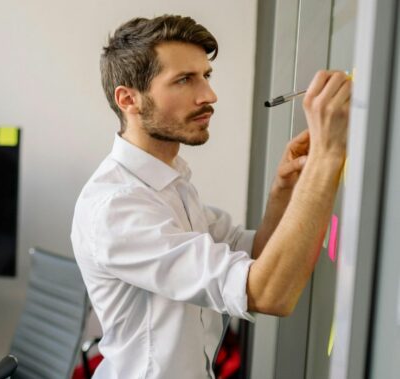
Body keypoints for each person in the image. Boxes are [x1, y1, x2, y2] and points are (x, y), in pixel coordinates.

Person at [70, 14, 351, 378]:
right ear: (129, 99)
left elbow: (254, 256)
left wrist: (284, 192)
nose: (209, 95)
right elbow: (269, 294)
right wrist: (326, 158)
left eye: (206, 76)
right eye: (185, 80)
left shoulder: (170, 183)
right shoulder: (118, 207)